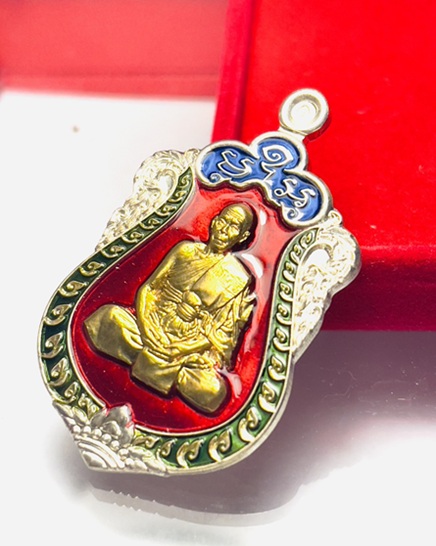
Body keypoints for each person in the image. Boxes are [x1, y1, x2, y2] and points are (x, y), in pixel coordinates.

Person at [85, 203, 256, 414]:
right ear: (214, 221)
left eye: (233, 226)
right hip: (150, 328)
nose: (224, 230)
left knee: (214, 392)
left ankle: (148, 358)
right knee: (107, 317)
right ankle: (158, 363)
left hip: (186, 349)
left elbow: (220, 336)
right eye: (223, 221)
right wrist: (148, 330)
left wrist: (179, 349)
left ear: (242, 236)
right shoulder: (185, 250)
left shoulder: (237, 278)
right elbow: (149, 289)